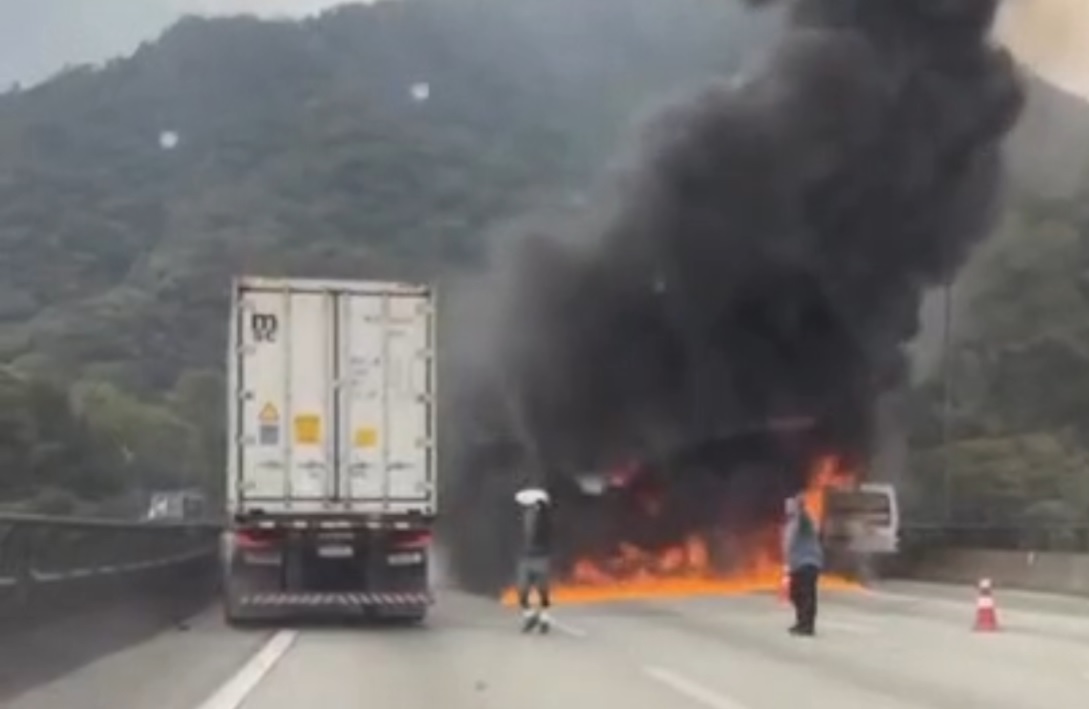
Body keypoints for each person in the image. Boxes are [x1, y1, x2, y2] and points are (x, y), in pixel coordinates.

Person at [783, 493, 824, 637]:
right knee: (796, 594)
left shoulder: (803, 521)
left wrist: (801, 506)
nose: (787, 508)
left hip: (808, 562)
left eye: (790, 505)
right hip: (797, 565)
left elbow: (804, 518)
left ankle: (807, 625)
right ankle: (801, 622)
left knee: (807, 594)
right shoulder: (790, 525)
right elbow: (788, 546)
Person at [514, 487, 553, 633]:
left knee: (543, 591)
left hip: (541, 558)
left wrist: (542, 506)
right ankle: (529, 615)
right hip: (525, 558)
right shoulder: (521, 517)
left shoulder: (546, 520)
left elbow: (550, 533)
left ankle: (544, 618)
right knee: (522, 590)